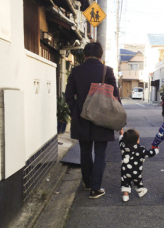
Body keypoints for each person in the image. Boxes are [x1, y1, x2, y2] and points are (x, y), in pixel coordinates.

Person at [65, 42, 121, 199]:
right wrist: (118, 120)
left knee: (85, 151)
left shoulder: (76, 71)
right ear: (100, 55)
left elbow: (68, 96)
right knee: (101, 153)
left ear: (85, 55)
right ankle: (95, 189)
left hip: (82, 117)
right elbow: (115, 97)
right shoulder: (107, 71)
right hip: (102, 118)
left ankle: (87, 182)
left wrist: (76, 111)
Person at [119, 129, 159, 202]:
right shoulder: (140, 149)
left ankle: (125, 196)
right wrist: (156, 150)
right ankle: (140, 191)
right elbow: (149, 153)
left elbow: (120, 141)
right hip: (136, 171)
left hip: (125, 171)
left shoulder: (123, 146)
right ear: (136, 140)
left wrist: (121, 134)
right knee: (138, 182)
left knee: (125, 182)